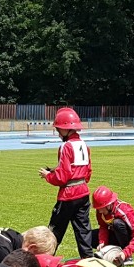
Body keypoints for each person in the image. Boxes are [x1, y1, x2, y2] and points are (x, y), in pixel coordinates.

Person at [38, 107, 93, 259]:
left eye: (58, 129)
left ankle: (45, 263)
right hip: (83, 192)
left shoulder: (65, 146)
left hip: (68, 195)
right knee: (83, 231)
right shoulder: (84, 145)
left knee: (55, 231)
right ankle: (89, 262)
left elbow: (62, 177)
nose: (57, 132)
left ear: (65, 129)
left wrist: (49, 175)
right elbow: (86, 171)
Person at [90, 185, 134, 266]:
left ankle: (127, 257)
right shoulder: (100, 210)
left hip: (127, 238)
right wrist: (102, 242)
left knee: (117, 224)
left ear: (109, 205)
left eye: (101, 208)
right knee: (88, 235)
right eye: (98, 208)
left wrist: (126, 253)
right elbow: (103, 226)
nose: (99, 211)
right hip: (114, 234)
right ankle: (106, 253)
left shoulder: (125, 210)